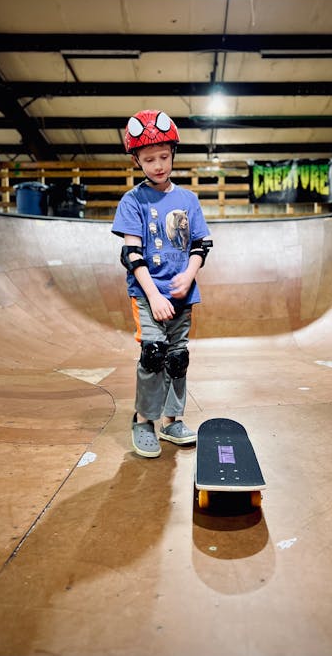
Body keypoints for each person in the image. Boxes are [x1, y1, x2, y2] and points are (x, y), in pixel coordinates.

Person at [112, 109, 212, 458]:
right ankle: (144, 421)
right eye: (149, 159)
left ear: (173, 155)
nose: (158, 165)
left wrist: (189, 273)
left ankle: (172, 421)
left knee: (178, 357)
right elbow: (132, 255)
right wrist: (153, 295)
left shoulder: (188, 200)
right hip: (148, 293)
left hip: (182, 293)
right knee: (153, 354)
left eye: (164, 157)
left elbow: (200, 245)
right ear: (137, 161)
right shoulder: (133, 201)